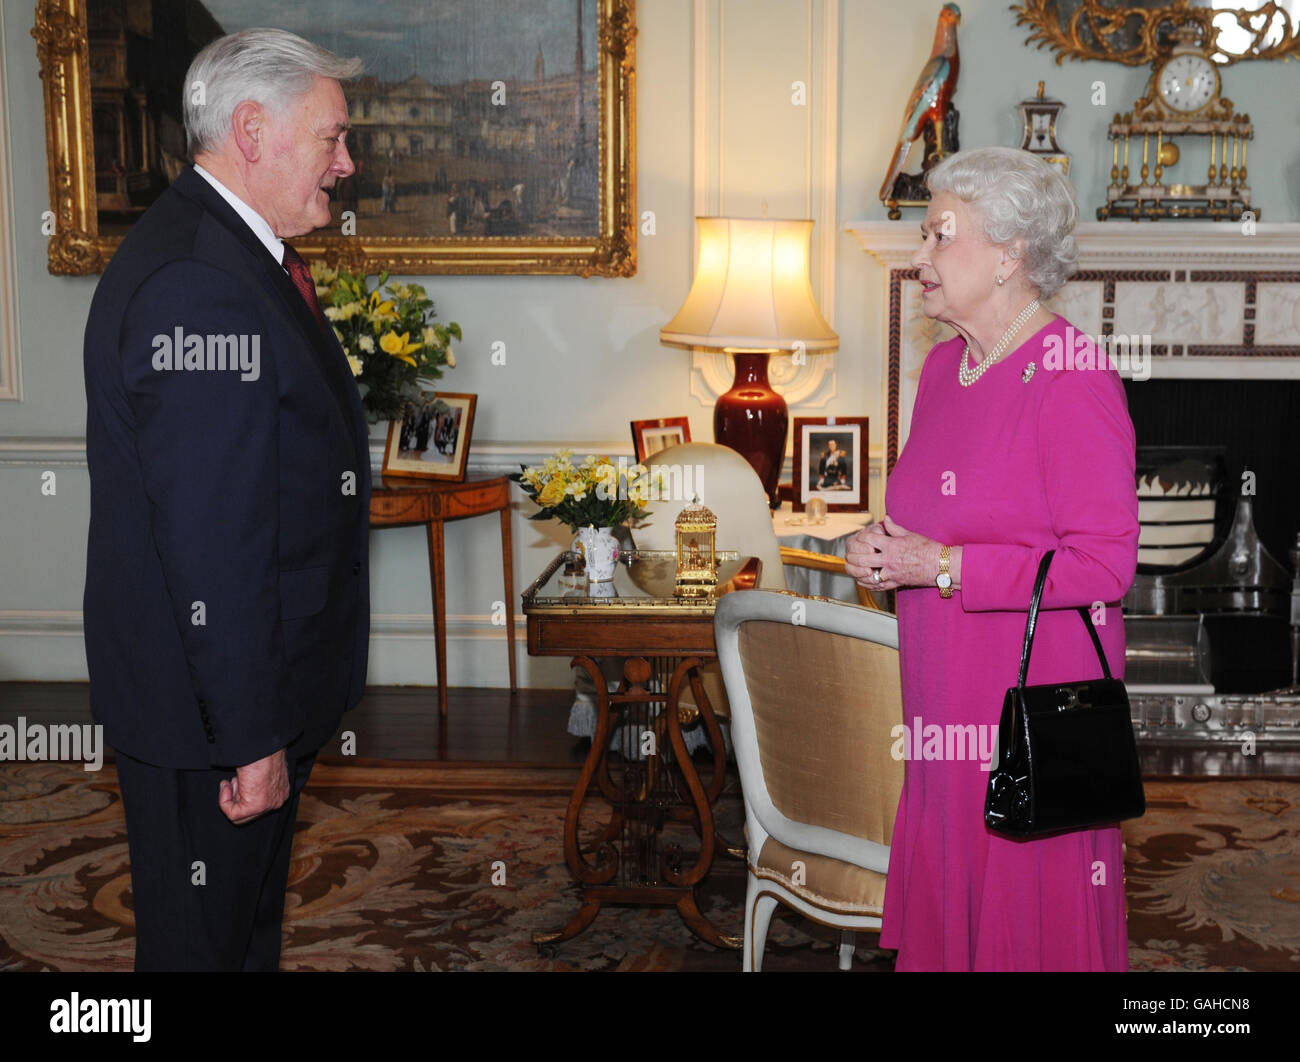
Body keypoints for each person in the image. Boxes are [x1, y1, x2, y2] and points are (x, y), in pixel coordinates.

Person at [82, 28, 371, 971]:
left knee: (237, 940)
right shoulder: (198, 284)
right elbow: (214, 539)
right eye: (331, 137)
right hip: (210, 716)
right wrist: (251, 737)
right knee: (200, 951)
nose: (347, 161)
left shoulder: (227, 253)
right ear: (253, 129)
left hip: (224, 701)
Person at [845, 146, 1139, 971]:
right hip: (940, 702)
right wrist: (882, 550)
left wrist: (943, 567)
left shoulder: (1071, 377)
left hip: (1026, 717)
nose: (919, 257)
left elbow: (1105, 566)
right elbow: (934, 518)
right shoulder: (945, 368)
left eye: (940, 236)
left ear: (1010, 254)